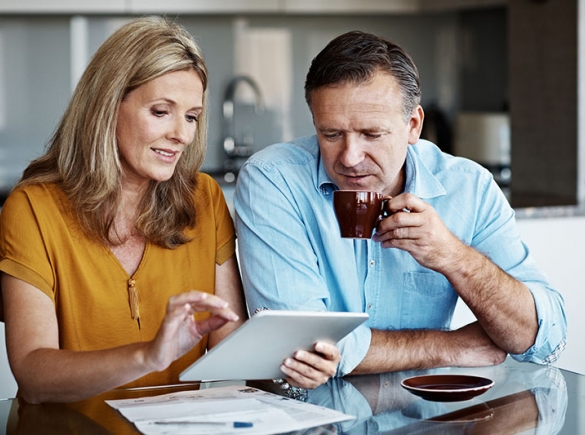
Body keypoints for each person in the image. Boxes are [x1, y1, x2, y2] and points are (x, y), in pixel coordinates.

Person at [0, 16, 339, 404]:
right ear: (107, 106)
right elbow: (33, 373)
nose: (182, 134)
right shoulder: (32, 209)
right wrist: (149, 355)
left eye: (191, 116)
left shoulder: (203, 198)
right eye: (161, 111)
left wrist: (290, 372)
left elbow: (231, 349)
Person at [234, 30, 567, 377]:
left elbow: (541, 336)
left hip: (425, 418)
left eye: (372, 134)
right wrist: (445, 346)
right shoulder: (274, 179)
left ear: (413, 125)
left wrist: (453, 257)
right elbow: (293, 344)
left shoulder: (469, 187)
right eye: (331, 134)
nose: (349, 157)